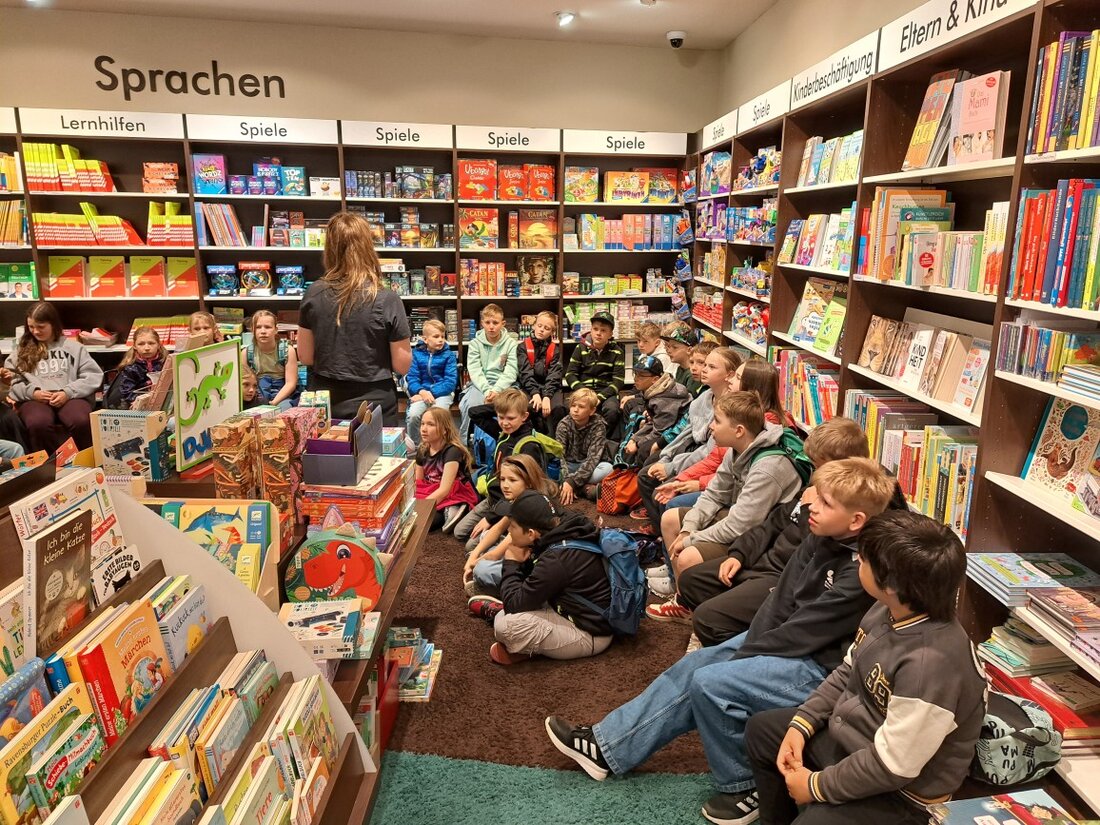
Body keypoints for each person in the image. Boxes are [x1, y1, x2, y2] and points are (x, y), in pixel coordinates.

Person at [543, 458, 895, 824]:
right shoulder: (820, 533)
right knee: (697, 663)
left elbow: (809, 630)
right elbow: (780, 599)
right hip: (784, 643)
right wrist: (750, 646)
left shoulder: (861, 569)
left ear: (856, 521)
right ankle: (606, 747)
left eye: (825, 503)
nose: (811, 505)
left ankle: (745, 786)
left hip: (820, 667)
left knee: (712, 683)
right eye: (816, 497)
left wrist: (745, 655)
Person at [745, 510, 986, 825]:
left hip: (903, 793)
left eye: (865, 558)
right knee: (764, 731)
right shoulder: (888, 608)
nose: (857, 559)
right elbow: (847, 672)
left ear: (892, 585)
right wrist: (802, 723)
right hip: (858, 741)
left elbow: (893, 766)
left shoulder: (931, 666)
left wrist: (815, 787)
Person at [653, 417, 877, 631]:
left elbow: (810, 555)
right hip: (763, 559)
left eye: (820, 467)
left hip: (781, 575)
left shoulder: (845, 508)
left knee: (708, 618)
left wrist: (810, 507)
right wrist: (739, 554)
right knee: (693, 580)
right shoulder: (815, 488)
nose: (815, 474)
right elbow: (773, 522)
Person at [662, 392, 807, 577]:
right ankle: (678, 589)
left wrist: (691, 539)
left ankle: (685, 599)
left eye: (717, 421)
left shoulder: (768, 468)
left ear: (738, 431)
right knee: (670, 520)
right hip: (743, 518)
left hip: (761, 537)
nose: (710, 426)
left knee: (688, 556)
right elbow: (714, 494)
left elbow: (741, 526)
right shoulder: (737, 449)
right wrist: (688, 529)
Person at [470, 490, 613, 665]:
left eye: (512, 526)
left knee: (505, 626)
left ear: (531, 533)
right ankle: (512, 615)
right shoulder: (563, 527)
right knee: (494, 578)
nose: (508, 530)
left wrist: (512, 562)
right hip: (564, 603)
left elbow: (514, 605)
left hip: (589, 633)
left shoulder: (557, 559)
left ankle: (520, 635)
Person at [297, 212, 412, 425]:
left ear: (330, 248)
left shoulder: (313, 293)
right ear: (368, 247)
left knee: (327, 457)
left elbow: (305, 356)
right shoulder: (387, 298)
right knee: (377, 458)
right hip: (375, 401)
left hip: (326, 399)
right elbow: (402, 365)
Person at [635, 346, 741, 529]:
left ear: (729, 375)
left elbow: (710, 454)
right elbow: (686, 431)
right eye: (703, 364)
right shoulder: (704, 397)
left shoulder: (730, 408)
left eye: (711, 366)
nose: (703, 370)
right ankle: (661, 528)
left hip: (706, 462)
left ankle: (664, 530)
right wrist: (666, 454)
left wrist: (672, 467)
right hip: (693, 452)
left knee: (653, 483)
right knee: (650, 463)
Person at [453, 388, 552, 545]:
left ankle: (504, 537)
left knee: (471, 545)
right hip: (493, 499)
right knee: (459, 532)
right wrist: (501, 404)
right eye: (500, 417)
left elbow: (527, 492)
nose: (505, 422)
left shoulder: (529, 445)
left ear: (525, 416)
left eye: (511, 418)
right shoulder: (504, 433)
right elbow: (474, 412)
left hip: (514, 504)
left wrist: (491, 518)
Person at [3, 302, 102, 453]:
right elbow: (13, 382)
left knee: (80, 420)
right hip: (34, 399)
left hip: (71, 396)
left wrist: (67, 392)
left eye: (41, 327)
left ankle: (88, 460)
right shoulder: (21, 351)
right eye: (31, 327)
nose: (35, 331)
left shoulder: (74, 348)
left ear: (53, 325)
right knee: (38, 423)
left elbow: (92, 376)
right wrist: (33, 393)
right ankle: (50, 465)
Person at [463, 453, 559, 598]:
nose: (505, 485)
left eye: (512, 480)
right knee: (481, 544)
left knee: (482, 570)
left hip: (538, 564)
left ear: (529, 483)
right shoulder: (521, 498)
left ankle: (505, 595)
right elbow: (498, 528)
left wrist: (472, 565)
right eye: (502, 479)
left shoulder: (530, 507)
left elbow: (496, 554)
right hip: (525, 550)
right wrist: (475, 555)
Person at [616, 356, 691, 468]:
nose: (636, 379)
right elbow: (655, 422)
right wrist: (634, 438)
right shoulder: (654, 390)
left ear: (655, 379)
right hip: (665, 426)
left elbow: (660, 431)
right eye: (635, 374)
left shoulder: (664, 400)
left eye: (641, 376)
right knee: (636, 426)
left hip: (680, 433)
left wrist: (637, 443)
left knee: (643, 450)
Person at [561, 311, 625, 438]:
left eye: (603, 330)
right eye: (595, 329)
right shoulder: (581, 348)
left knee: (612, 411)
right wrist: (584, 392)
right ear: (590, 330)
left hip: (606, 392)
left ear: (610, 334)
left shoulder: (617, 351)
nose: (598, 333)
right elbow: (570, 374)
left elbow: (618, 381)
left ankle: (600, 440)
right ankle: (578, 440)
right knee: (567, 408)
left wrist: (599, 397)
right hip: (583, 389)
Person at [415, 407, 479, 533]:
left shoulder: (452, 452)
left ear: (444, 429)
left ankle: (457, 507)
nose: (424, 429)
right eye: (422, 423)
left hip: (454, 491)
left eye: (430, 424)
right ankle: (448, 510)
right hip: (432, 490)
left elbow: (445, 489)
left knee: (424, 522)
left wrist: (421, 508)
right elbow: (419, 482)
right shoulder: (422, 450)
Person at [460, 303, 518, 441]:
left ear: (503, 323)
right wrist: (487, 391)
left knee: (508, 406)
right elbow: (474, 370)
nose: (491, 326)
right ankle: (466, 444)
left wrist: (496, 390)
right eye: (487, 322)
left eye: (495, 323)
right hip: (480, 385)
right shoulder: (475, 344)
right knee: (470, 405)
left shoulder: (511, 343)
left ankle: (504, 441)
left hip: (505, 386)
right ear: (482, 324)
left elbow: (511, 370)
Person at [406, 319, 458, 447]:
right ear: (425, 339)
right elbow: (412, 378)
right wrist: (422, 392)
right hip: (422, 393)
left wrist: (431, 393)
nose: (440, 340)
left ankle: (440, 447)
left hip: (443, 393)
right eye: (436, 336)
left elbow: (450, 382)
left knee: (439, 416)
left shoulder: (449, 355)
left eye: (442, 336)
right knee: (413, 415)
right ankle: (416, 448)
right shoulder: (416, 354)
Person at [556, 388, 612, 506]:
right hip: (570, 465)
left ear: (592, 411)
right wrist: (567, 479)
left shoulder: (598, 425)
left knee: (608, 469)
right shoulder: (563, 425)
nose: (575, 410)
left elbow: (593, 459)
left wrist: (571, 482)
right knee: (551, 470)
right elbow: (560, 456)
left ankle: (571, 487)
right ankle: (583, 489)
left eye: (581, 407)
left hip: (592, 466)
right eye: (573, 405)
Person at [516, 310, 563, 434]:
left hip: (550, 387)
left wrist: (547, 396)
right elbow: (525, 373)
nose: (541, 330)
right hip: (529, 387)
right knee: (529, 408)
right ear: (534, 325)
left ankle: (555, 443)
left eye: (547, 328)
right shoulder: (522, 347)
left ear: (552, 332)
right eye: (539, 325)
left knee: (558, 408)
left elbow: (554, 375)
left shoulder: (555, 350)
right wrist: (535, 393)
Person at [246, 309, 299, 409]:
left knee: (283, 411)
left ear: (276, 329)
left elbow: (290, 383)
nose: (263, 331)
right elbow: (245, 382)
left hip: (282, 394)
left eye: (267, 327)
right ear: (252, 330)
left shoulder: (287, 351)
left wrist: (273, 403)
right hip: (257, 393)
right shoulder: (247, 353)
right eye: (258, 327)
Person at [117, 326, 167, 409]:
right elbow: (127, 391)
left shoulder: (165, 361)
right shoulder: (130, 367)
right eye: (141, 344)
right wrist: (138, 401)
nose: (147, 348)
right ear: (135, 346)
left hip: (162, 401)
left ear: (158, 345)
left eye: (151, 343)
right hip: (137, 404)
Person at [662, 323, 702, 396]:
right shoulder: (680, 368)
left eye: (674, 347)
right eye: (668, 346)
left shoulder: (693, 374)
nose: (669, 350)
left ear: (689, 350)